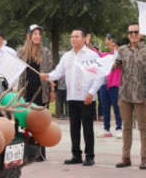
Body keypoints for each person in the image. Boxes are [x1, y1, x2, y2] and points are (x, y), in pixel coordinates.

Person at [42, 29, 107, 166]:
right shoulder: (67, 56)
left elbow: (99, 76)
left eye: (76, 37)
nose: (73, 39)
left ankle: (89, 156)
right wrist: (48, 76)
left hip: (86, 98)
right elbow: (58, 72)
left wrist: (91, 93)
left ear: (84, 39)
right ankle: (76, 154)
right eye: (72, 37)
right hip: (71, 97)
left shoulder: (92, 55)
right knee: (74, 128)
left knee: (88, 128)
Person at [113, 22, 146, 169]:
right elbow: (114, 65)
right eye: (130, 32)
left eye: (136, 32)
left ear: (141, 34)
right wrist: (103, 62)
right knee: (126, 127)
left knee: (143, 127)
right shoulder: (122, 50)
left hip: (142, 94)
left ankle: (145, 158)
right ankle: (126, 157)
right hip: (125, 93)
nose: (133, 35)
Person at [18, 25, 54, 161]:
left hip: (41, 90)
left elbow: (51, 73)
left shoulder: (46, 52)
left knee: (40, 121)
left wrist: (52, 90)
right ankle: (29, 151)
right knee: (27, 121)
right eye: (35, 33)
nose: (38, 36)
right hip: (26, 90)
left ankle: (41, 152)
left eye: (39, 34)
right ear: (29, 35)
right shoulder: (21, 53)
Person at [97, 33, 122, 138]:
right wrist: (88, 44)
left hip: (114, 85)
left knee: (117, 107)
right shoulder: (106, 55)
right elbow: (95, 54)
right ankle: (106, 128)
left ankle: (119, 128)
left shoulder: (119, 57)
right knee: (105, 108)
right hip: (104, 85)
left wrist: (111, 45)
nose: (113, 47)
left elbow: (116, 54)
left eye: (116, 45)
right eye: (113, 45)